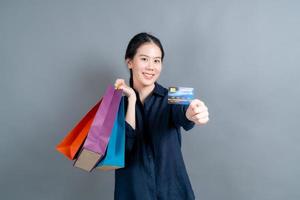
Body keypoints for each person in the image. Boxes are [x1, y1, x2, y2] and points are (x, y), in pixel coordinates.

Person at [114, 32, 209, 200]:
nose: (151, 67)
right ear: (129, 62)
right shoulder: (116, 105)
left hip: (174, 193)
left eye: (157, 60)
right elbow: (121, 152)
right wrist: (132, 99)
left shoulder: (176, 94)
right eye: (144, 59)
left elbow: (186, 112)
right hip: (132, 194)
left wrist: (193, 112)